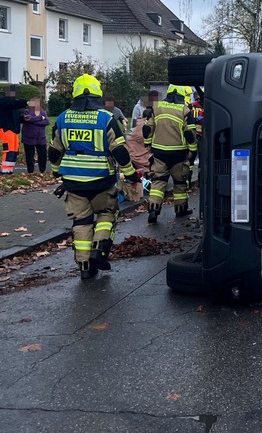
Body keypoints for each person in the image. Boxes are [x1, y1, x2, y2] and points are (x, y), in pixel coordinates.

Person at [48, 73, 140, 281]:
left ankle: (85, 267)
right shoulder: (106, 118)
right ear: (97, 94)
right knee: (107, 213)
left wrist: (56, 170)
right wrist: (131, 174)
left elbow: (54, 152)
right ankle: (100, 250)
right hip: (101, 181)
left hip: (73, 183)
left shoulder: (63, 118)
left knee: (81, 221)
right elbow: (120, 152)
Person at [143, 84, 197, 223]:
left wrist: (148, 143)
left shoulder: (157, 107)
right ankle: (181, 209)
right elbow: (190, 133)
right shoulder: (185, 109)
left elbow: (148, 128)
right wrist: (192, 149)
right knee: (180, 182)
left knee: (158, 182)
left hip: (159, 152)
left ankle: (153, 210)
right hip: (179, 153)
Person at [0, 85, 29, 174]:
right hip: (7, 129)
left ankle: (9, 170)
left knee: (13, 150)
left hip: (13, 130)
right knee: (9, 150)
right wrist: (26, 102)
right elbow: (15, 104)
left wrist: (23, 118)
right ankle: (5, 170)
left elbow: (16, 116)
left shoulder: (12, 105)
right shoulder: (4, 100)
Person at [21, 97, 50, 173]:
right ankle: (30, 171)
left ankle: (42, 170)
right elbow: (28, 119)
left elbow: (47, 122)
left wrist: (34, 120)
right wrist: (40, 118)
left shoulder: (43, 112)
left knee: (43, 155)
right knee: (29, 155)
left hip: (41, 138)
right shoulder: (26, 112)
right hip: (28, 138)